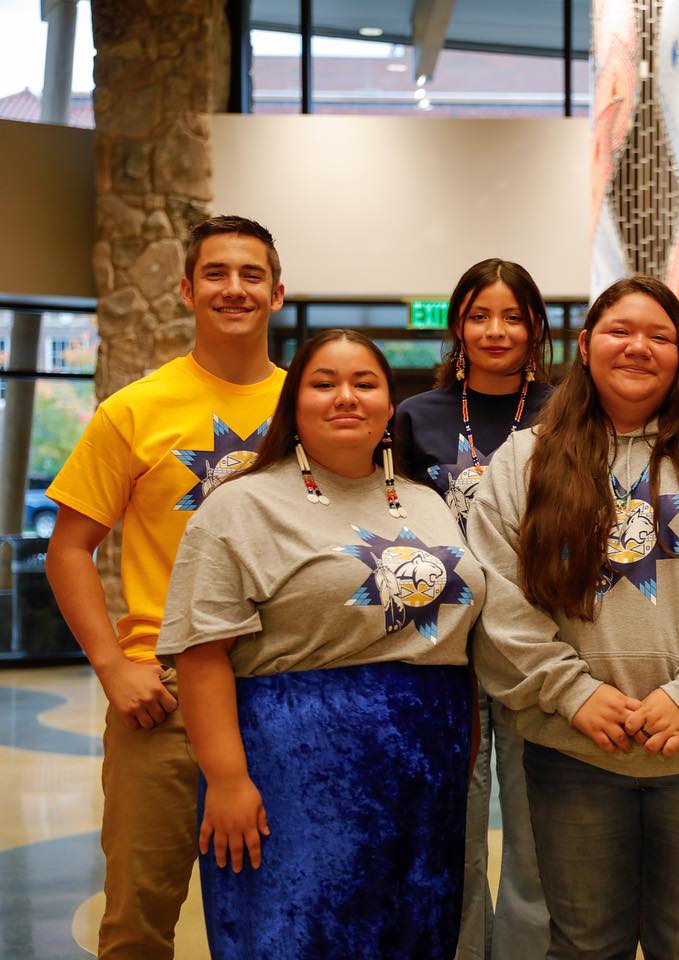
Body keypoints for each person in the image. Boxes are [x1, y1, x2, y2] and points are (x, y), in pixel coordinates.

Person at [469, 275, 679, 959]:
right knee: (584, 946)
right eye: (619, 331)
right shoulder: (524, 461)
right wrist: (572, 693)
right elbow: (499, 598)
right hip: (578, 750)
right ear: (584, 346)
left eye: (659, 335)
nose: (638, 347)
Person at [155, 329, 481, 959]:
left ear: (391, 407)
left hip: (425, 774)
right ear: (293, 403)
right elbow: (200, 654)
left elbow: (455, 637)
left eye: (365, 384)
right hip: (295, 774)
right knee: (298, 934)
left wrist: (456, 751)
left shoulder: (427, 501)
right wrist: (226, 780)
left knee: (415, 935)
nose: (346, 398)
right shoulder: (241, 505)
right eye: (323, 383)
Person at [45, 215, 287, 959]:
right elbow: (69, 549)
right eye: (216, 273)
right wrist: (113, 665)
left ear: (278, 293)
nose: (234, 288)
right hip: (166, 701)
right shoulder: (134, 411)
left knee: (285, 912)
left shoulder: (312, 408)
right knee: (138, 921)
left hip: (285, 690)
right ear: (187, 289)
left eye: (252, 274)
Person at [393, 258, 555, 960]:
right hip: (442, 654)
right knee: (450, 832)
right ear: (458, 323)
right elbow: (393, 530)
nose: (495, 330)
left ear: (536, 327)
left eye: (512, 315)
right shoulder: (415, 416)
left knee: (536, 838)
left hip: (536, 647)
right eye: (480, 314)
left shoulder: (567, 410)